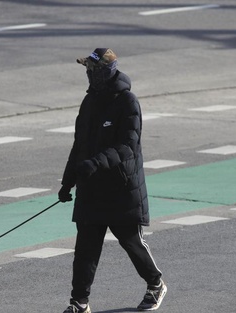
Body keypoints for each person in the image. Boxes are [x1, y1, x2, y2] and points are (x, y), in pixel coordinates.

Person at [58, 48, 167, 312]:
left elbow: (128, 146)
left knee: (131, 242)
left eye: (92, 70)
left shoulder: (127, 102)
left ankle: (155, 284)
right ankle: (79, 303)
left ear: (105, 72)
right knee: (85, 250)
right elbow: (79, 145)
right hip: (91, 188)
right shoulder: (89, 102)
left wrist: (95, 163)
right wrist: (68, 181)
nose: (88, 74)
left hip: (121, 189)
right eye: (86, 70)